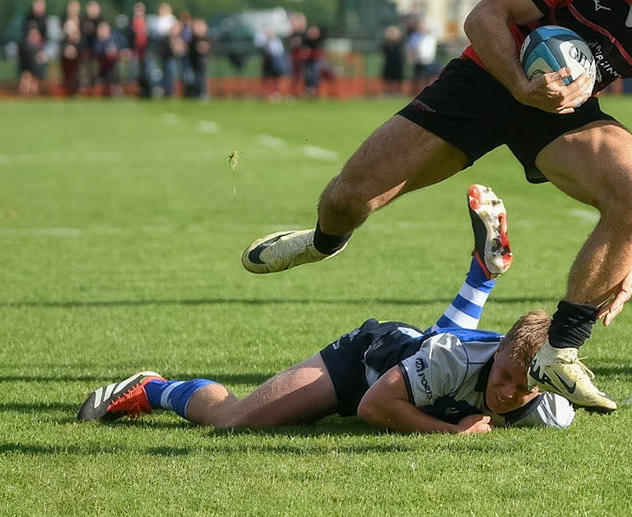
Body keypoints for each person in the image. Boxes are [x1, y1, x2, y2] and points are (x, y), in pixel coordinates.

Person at [243, 0, 632, 413]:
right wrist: (521, 84)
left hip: (560, 117)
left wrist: (631, 247)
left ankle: (561, 349)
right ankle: (323, 241)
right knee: (347, 197)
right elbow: (483, 17)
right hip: (486, 80)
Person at [81, 186, 573, 434]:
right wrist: (451, 435)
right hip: (362, 366)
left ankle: (481, 278)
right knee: (235, 422)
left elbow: (570, 398)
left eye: (523, 385)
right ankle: (154, 388)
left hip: (426, 354)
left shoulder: (546, 401)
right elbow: (374, 406)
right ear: (502, 351)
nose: (510, 392)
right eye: (507, 376)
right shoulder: (463, 361)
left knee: (436, 354)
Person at [381, 24, 408, 94]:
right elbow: (384, 50)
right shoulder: (387, 44)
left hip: (397, 63)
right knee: (388, 78)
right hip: (389, 63)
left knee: (397, 78)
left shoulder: (399, 43)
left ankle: (398, 92)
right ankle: (388, 92)